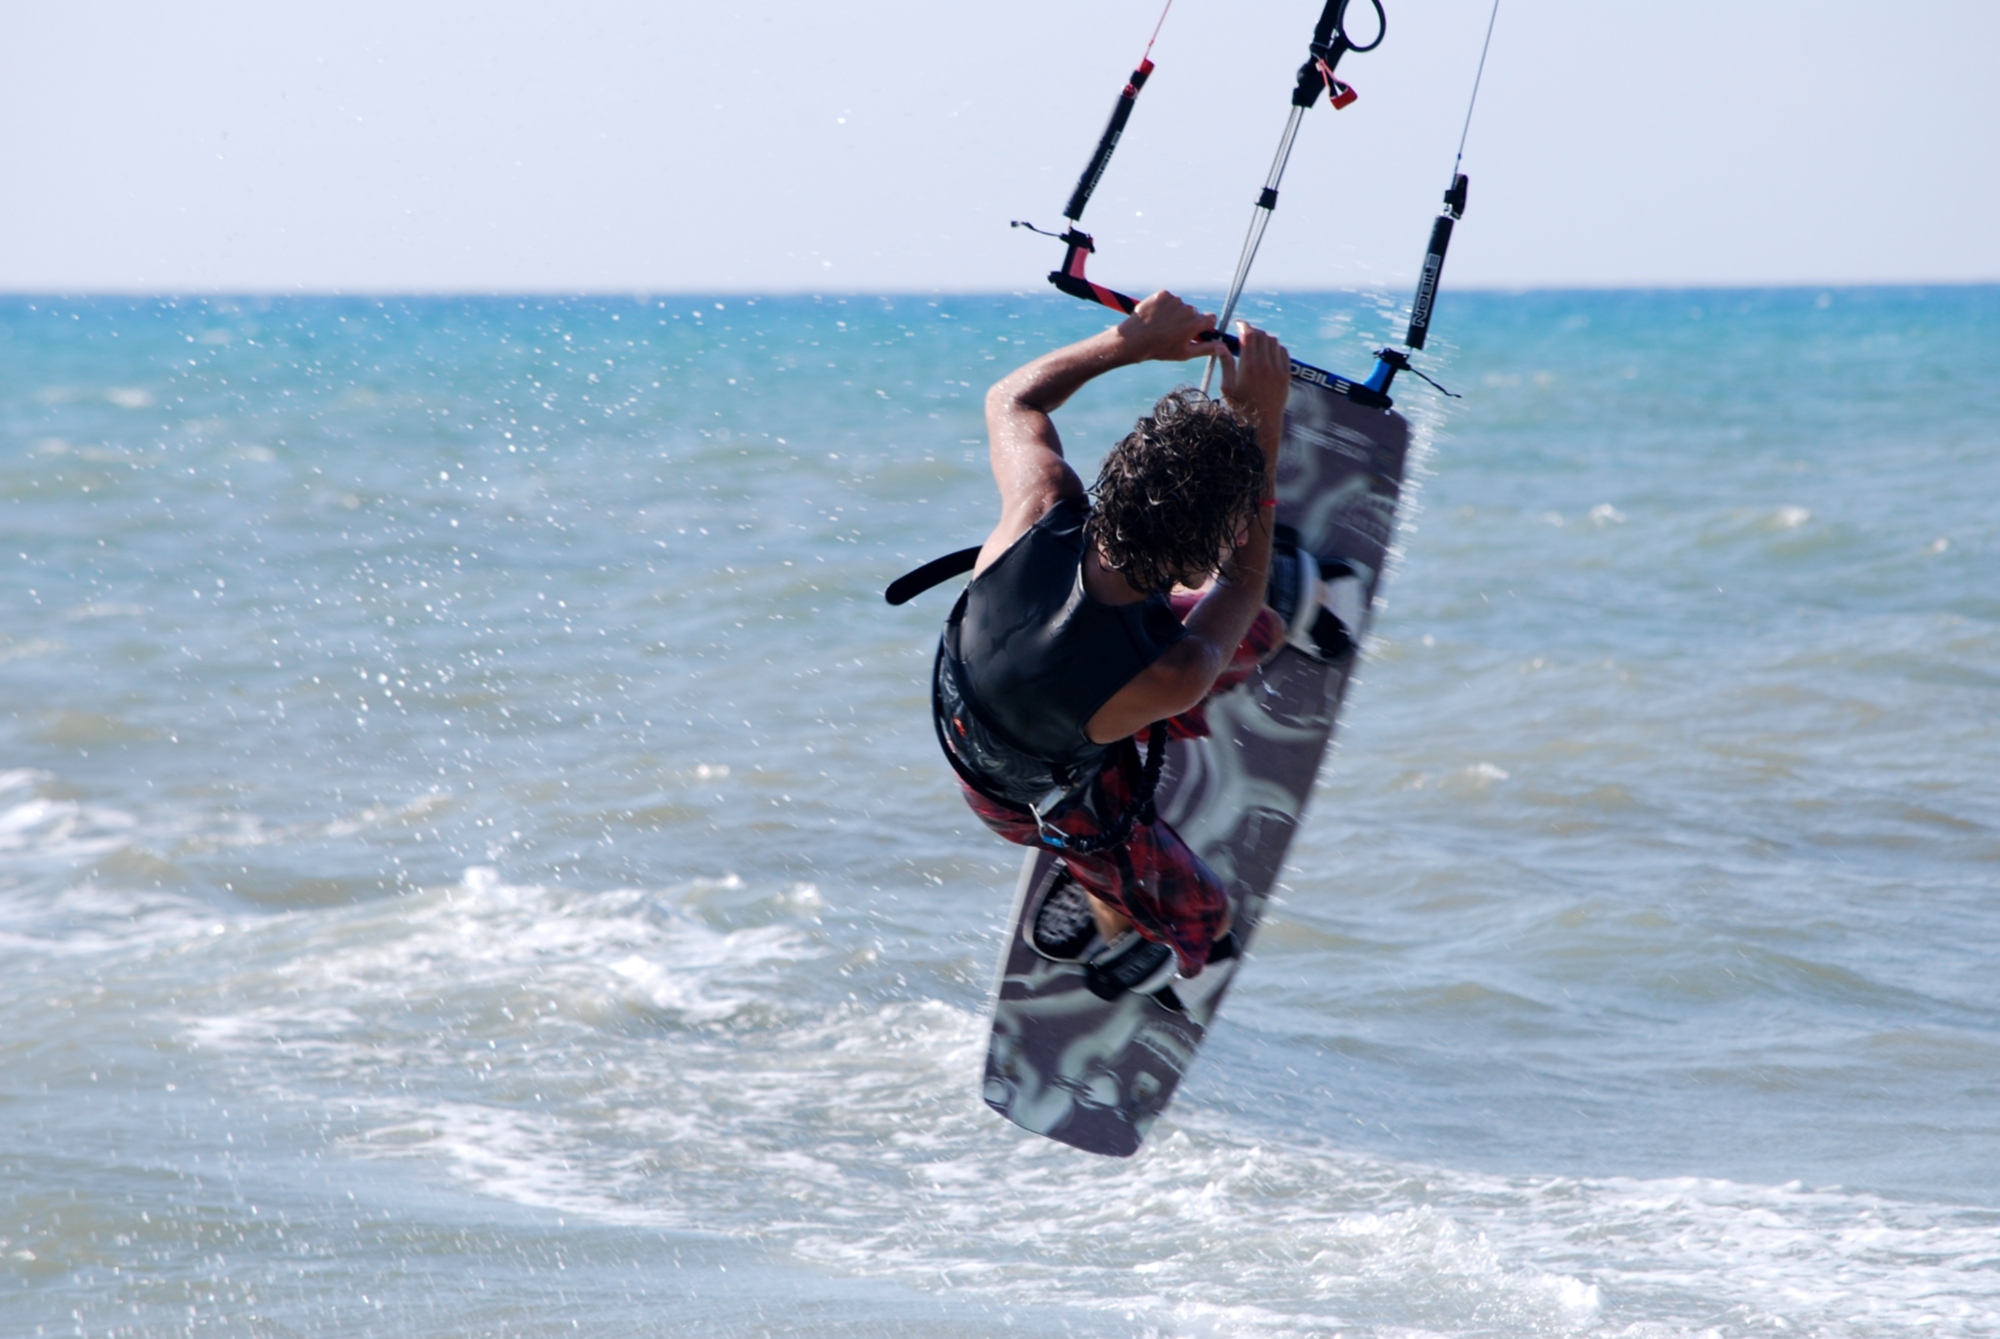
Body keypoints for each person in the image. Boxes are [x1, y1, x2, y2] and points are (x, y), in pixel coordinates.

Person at [931, 291, 1292, 1000]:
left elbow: (1011, 400)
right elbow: (1241, 588)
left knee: (1254, 632)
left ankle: (1108, 875)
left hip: (995, 702)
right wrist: (1264, 424)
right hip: (1017, 790)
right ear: (1198, 564)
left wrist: (1127, 342)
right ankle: (1130, 930)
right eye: (1235, 530)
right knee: (1204, 915)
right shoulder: (1172, 672)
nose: (1242, 537)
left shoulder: (1043, 502)